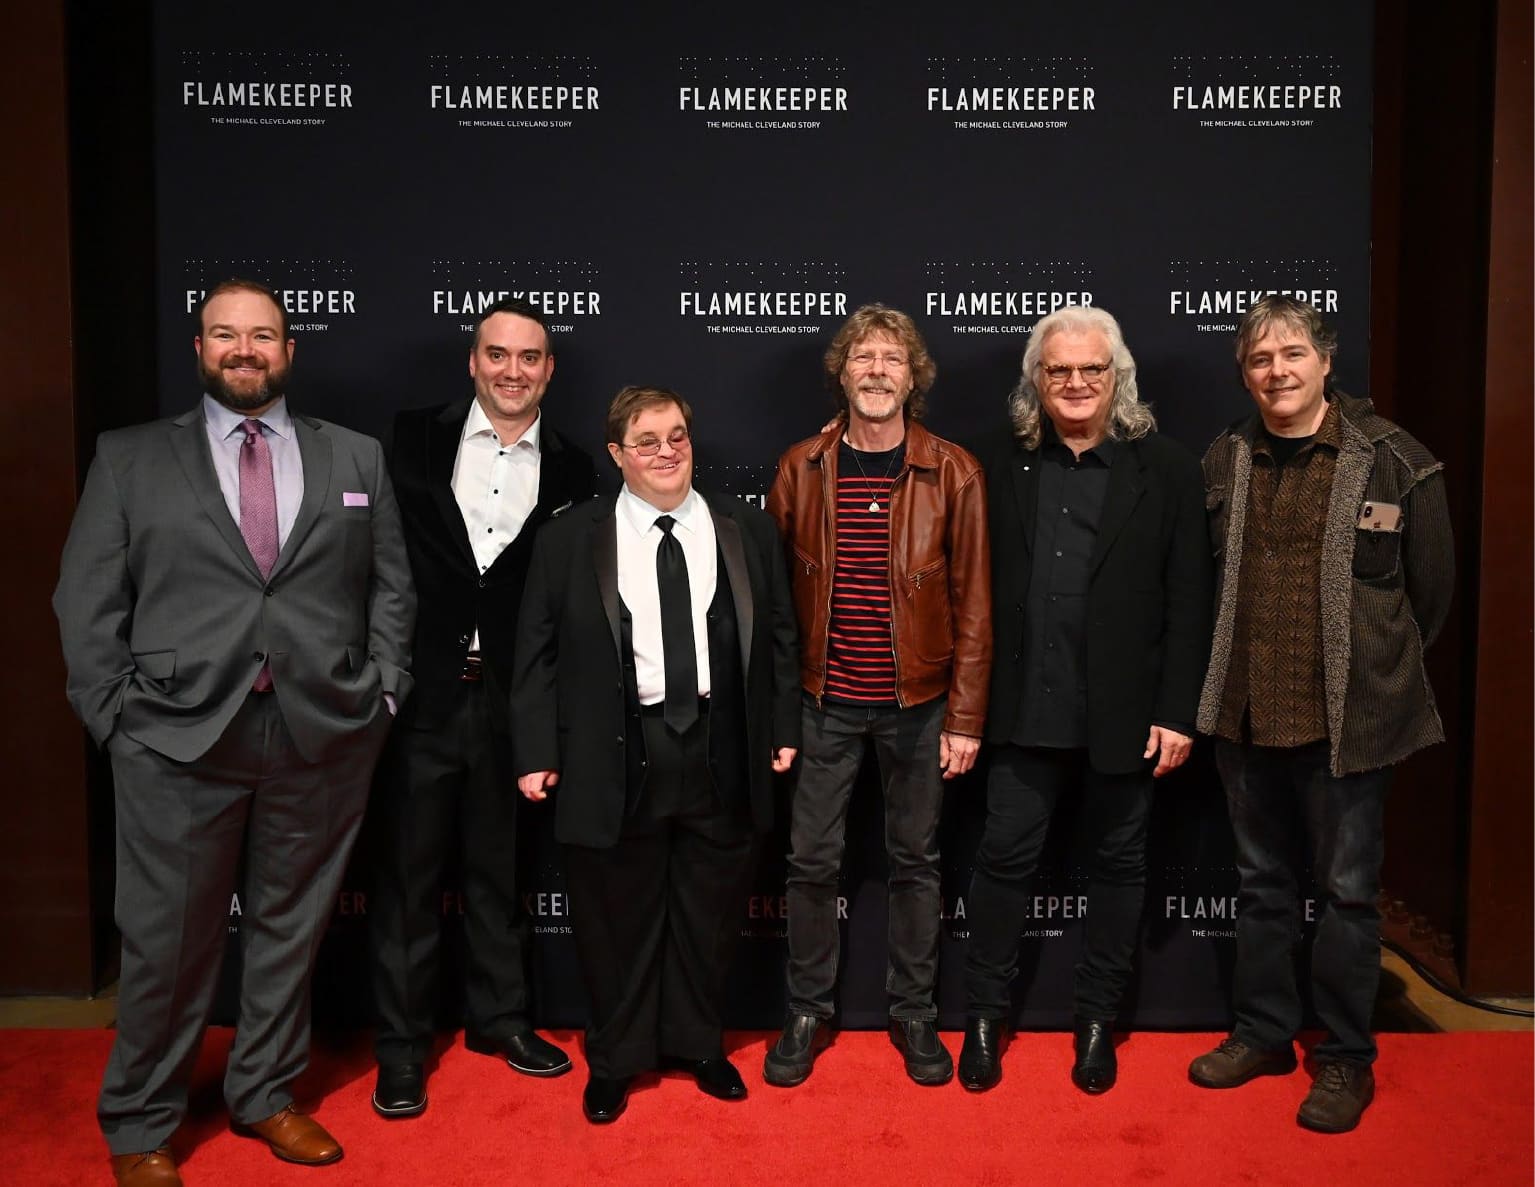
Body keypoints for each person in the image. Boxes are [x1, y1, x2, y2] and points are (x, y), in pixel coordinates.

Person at [54, 279, 414, 1187]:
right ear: (200, 347)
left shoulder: (356, 457)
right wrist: (117, 721)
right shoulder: (131, 458)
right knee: (167, 941)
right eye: (225, 335)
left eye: (262, 335)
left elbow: (391, 590)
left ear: (289, 350)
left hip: (320, 732)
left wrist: (383, 695)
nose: (244, 349)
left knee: (290, 933)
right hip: (174, 738)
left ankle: (263, 1093)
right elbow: (86, 600)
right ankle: (142, 1120)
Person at [1187, 295, 1454, 1133]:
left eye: (1293, 353)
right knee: (1262, 886)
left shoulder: (1396, 463)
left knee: (1344, 896)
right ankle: (1263, 1031)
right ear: (1245, 372)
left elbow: (1430, 599)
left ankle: (1343, 1057)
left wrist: (1369, 674)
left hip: (1350, 722)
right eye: (1261, 359)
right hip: (1246, 717)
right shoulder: (1223, 458)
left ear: (1325, 362)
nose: (1278, 371)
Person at [513, 385, 800, 1124]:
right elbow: (535, 654)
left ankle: (698, 1045)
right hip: (614, 751)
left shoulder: (744, 527)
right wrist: (536, 749)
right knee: (615, 919)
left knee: (709, 914)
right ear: (616, 454)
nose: (666, 452)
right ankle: (615, 1059)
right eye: (646, 441)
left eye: (676, 436)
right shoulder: (570, 537)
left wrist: (781, 726)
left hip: (721, 744)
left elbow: (778, 638)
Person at [958, 305, 1212, 1094]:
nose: (1074, 383)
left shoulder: (1164, 467)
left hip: (1125, 717)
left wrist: (1175, 710)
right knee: (1001, 864)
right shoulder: (994, 461)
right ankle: (983, 1016)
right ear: (1036, 380)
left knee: (1118, 866)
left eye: (1090, 370)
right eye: (1058, 370)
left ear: (1117, 378)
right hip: (1021, 711)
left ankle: (1098, 1019)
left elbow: (1189, 600)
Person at [367, 298, 596, 1117]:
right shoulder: (407, 439)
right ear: (472, 361)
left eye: (528, 356)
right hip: (419, 697)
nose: (511, 369)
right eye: (496, 353)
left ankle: (499, 1020)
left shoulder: (574, 471)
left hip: (512, 703)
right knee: (406, 878)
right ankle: (400, 1045)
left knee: (500, 875)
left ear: (549, 369)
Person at [764, 304, 991, 1087]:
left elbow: (974, 604)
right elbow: (772, 608)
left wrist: (964, 717)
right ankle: (805, 1009)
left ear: (913, 376)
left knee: (916, 863)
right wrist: (778, 709)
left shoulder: (953, 470)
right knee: (808, 862)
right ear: (842, 370)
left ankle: (914, 1014)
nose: (876, 370)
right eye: (863, 356)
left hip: (920, 705)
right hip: (821, 703)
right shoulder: (801, 467)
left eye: (892, 358)